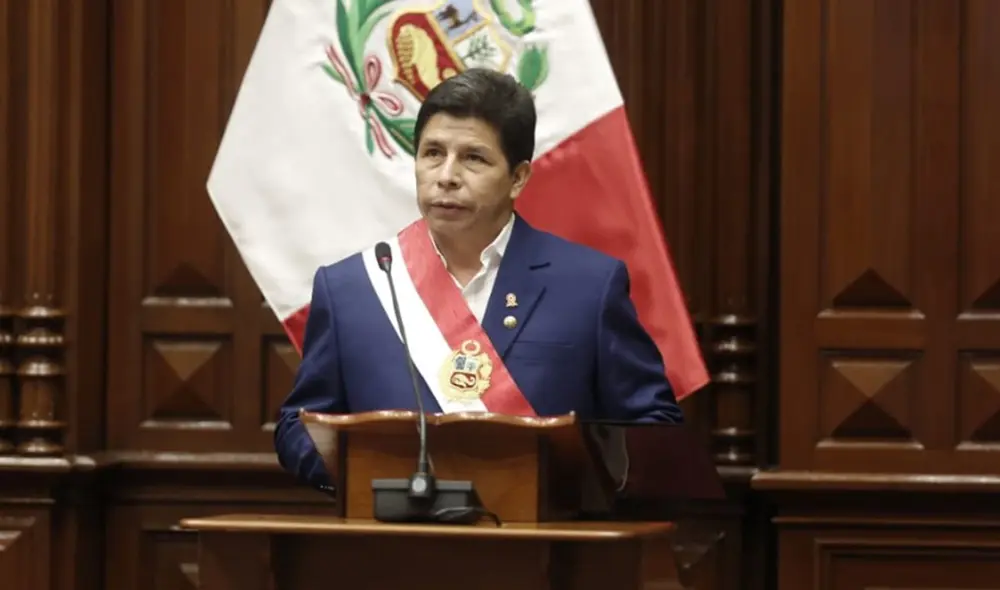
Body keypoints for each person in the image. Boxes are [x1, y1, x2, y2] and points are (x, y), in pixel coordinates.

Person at [274, 68, 682, 489]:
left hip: (544, 543)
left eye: (473, 158)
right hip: (391, 540)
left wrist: (569, 485)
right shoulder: (351, 288)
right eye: (432, 153)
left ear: (518, 178)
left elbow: (653, 428)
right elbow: (297, 425)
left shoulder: (590, 286)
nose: (446, 175)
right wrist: (366, 474)